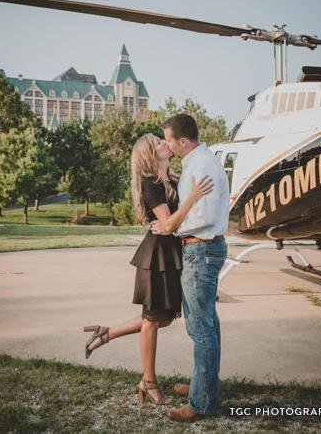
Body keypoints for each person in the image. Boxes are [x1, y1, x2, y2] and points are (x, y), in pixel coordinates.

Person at [83, 133, 213, 405]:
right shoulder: (150, 183)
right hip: (157, 256)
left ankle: (107, 333)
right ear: (149, 154)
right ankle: (148, 382)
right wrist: (194, 197)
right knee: (153, 319)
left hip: (171, 252)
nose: (163, 142)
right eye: (157, 142)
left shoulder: (172, 179)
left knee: (161, 318)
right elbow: (169, 223)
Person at [151, 114, 229, 422]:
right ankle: (204, 385)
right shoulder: (196, 162)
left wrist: (172, 227)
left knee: (201, 330)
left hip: (202, 249)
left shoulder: (203, 165)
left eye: (169, 139)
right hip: (200, 249)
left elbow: (206, 216)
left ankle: (201, 403)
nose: (166, 144)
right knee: (207, 324)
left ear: (183, 141)